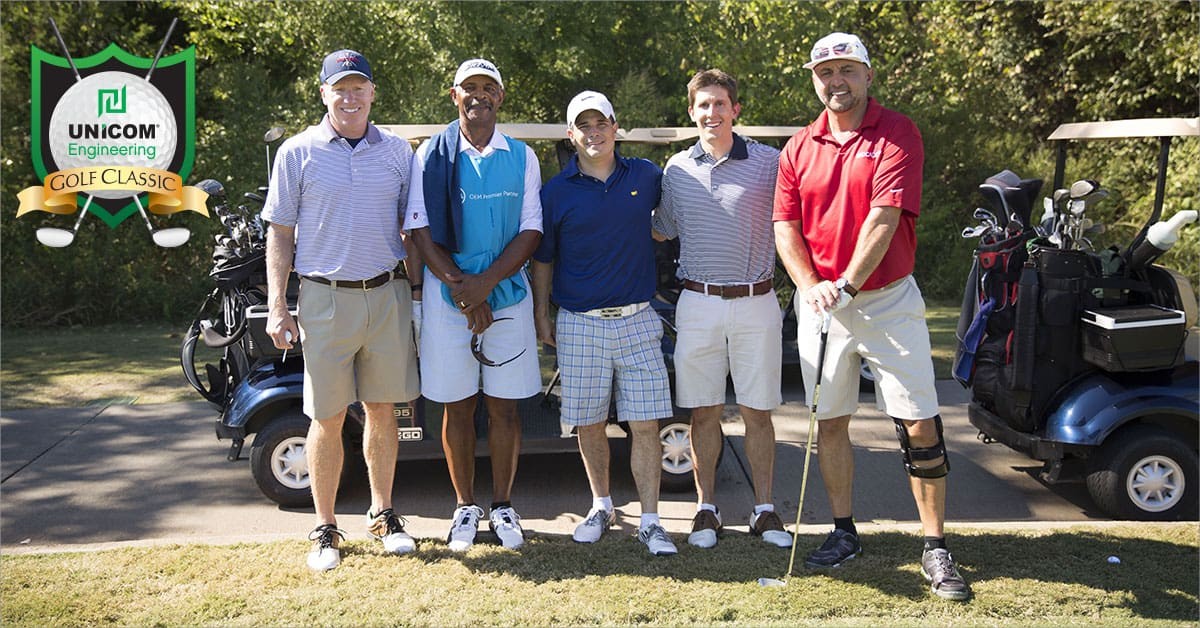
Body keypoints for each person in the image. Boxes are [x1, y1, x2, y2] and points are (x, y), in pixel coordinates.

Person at [772, 32, 971, 601]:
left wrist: (847, 284)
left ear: (867, 75)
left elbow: (883, 219)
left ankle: (935, 546)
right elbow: (786, 227)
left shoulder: (897, 132)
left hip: (884, 298)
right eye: (825, 72)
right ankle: (843, 531)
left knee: (919, 422)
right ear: (815, 79)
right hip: (821, 304)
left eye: (846, 70)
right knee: (830, 421)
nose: (836, 81)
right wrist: (812, 286)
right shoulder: (798, 147)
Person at [262, 49, 421, 572]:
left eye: (359, 87)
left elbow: (412, 229)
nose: (350, 97)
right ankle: (325, 526)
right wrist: (278, 305)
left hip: (386, 293)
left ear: (373, 92)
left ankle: (383, 513)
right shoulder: (298, 152)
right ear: (324, 93)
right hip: (324, 297)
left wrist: (419, 293)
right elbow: (280, 232)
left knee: (381, 409)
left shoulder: (399, 152)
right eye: (340, 88)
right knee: (326, 415)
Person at [532, 91, 678, 556]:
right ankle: (601, 505)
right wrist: (541, 314)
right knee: (589, 422)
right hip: (579, 323)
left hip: (637, 320)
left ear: (616, 127)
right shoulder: (555, 192)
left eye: (602, 123)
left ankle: (652, 520)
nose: (594, 132)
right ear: (571, 134)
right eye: (584, 125)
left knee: (646, 423)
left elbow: (668, 224)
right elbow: (544, 260)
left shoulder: (647, 176)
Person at [405, 58, 543, 552]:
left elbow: (531, 230)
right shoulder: (430, 156)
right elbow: (418, 228)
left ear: (501, 98)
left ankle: (503, 505)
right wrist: (461, 288)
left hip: (505, 293)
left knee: (504, 408)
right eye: (470, 88)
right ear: (454, 95)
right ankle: (465, 506)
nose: (479, 95)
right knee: (458, 407)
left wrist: (484, 284)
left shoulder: (523, 156)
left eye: (489, 88)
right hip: (450, 297)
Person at [652, 69, 792, 551]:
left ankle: (764, 509)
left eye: (720, 104)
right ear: (691, 112)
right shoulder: (675, 169)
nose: (712, 113)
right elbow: (660, 229)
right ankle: (706, 509)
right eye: (703, 105)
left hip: (757, 301)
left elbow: (795, 221)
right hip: (698, 303)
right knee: (703, 412)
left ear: (735, 109)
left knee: (758, 411)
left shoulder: (769, 162)